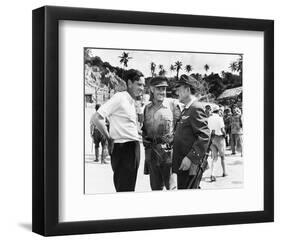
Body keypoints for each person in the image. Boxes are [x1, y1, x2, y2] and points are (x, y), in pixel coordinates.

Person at [91, 69, 145, 192]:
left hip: (131, 147)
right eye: (139, 84)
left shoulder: (130, 101)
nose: (142, 88)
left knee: (128, 188)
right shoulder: (120, 97)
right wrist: (109, 138)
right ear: (129, 83)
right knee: (125, 190)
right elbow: (96, 118)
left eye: (143, 85)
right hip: (124, 149)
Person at [142, 76, 181, 190]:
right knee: (155, 188)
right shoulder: (147, 108)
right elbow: (144, 129)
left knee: (171, 188)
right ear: (152, 89)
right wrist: (145, 142)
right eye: (159, 88)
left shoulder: (172, 105)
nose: (162, 92)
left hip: (168, 153)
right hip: (152, 154)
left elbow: (180, 126)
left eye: (164, 89)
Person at [172, 74, 210, 189]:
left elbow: (204, 136)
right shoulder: (187, 109)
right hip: (183, 164)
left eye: (179, 89)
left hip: (189, 164)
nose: (177, 92)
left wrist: (190, 157)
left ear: (187, 90)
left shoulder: (195, 108)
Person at [207, 106, 227, 182]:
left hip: (212, 138)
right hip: (219, 138)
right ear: (218, 111)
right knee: (222, 157)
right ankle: (224, 172)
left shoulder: (209, 118)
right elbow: (222, 129)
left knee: (214, 157)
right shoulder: (219, 118)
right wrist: (225, 135)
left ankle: (213, 174)